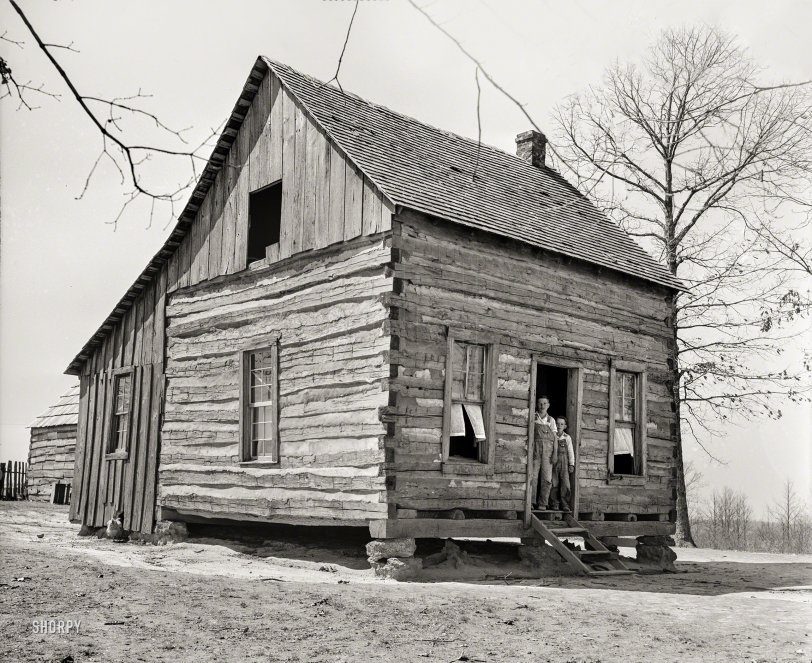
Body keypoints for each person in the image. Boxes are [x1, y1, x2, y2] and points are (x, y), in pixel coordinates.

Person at [532, 396, 557, 509]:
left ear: (548, 405)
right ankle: (531, 502)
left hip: (548, 453)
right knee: (533, 477)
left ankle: (543, 503)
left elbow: (555, 438)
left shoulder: (551, 420)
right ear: (537, 404)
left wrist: (555, 453)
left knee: (547, 478)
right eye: (540, 403)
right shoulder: (533, 417)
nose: (542, 406)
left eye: (544, 403)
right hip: (535, 451)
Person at [550, 416, 575, 511]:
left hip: (564, 464)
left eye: (561, 424)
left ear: (565, 426)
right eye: (557, 423)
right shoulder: (552, 436)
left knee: (566, 484)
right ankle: (554, 503)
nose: (559, 425)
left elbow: (570, 451)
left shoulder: (567, 437)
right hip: (554, 463)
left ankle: (565, 504)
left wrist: (571, 464)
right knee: (554, 483)